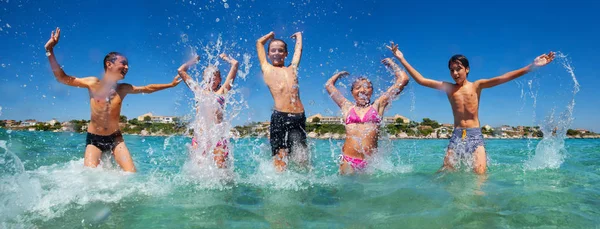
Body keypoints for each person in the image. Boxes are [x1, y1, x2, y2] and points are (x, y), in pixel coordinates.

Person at [387, 42, 555, 174]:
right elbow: (421, 80)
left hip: (475, 135)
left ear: (467, 69)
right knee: (446, 172)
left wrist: (531, 66)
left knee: (480, 174)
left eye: (458, 69)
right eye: (452, 70)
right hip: (457, 135)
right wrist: (401, 58)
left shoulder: (477, 86)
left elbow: (503, 77)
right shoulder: (449, 88)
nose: (455, 73)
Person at [44, 27, 182, 172]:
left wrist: (170, 85)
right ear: (109, 64)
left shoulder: (123, 89)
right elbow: (63, 78)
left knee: (131, 175)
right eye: (123, 63)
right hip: (94, 140)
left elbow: (148, 88)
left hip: (116, 139)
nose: (127, 67)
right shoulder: (93, 83)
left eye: (127, 64)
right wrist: (50, 51)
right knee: (90, 177)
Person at [325, 58, 409, 174]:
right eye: (358, 87)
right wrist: (338, 75)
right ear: (352, 92)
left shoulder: (378, 104)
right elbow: (329, 85)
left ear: (372, 91)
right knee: (343, 190)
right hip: (347, 160)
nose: (362, 90)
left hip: (370, 163)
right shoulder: (346, 106)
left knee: (366, 191)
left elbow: (403, 79)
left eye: (367, 87)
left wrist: (392, 64)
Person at [256, 31, 307, 172]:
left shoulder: (293, 68)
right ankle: (279, 188)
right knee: (281, 156)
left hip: (299, 117)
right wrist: (270, 35)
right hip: (280, 117)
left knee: (302, 157)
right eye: (273, 50)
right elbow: (259, 43)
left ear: (286, 54)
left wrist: (299, 37)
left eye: (280, 50)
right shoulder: (267, 68)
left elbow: (298, 51)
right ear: (268, 54)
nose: (277, 53)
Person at [177, 53, 239, 168]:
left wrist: (227, 59)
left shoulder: (222, 92)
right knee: (199, 169)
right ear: (203, 79)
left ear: (219, 79)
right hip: (200, 136)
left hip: (218, 135)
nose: (211, 80)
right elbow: (181, 71)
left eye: (214, 78)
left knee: (221, 167)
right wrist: (193, 60)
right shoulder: (198, 92)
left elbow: (235, 65)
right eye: (208, 78)